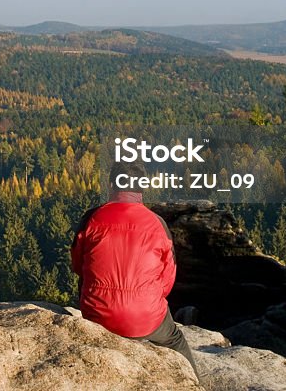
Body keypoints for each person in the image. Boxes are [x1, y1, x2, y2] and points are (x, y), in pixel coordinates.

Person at [70, 160, 198, 375]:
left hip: (97, 316)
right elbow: (168, 278)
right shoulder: (157, 223)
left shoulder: (90, 218)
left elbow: (77, 266)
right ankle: (194, 384)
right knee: (175, 340)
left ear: (112, 185)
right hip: (146, 318)